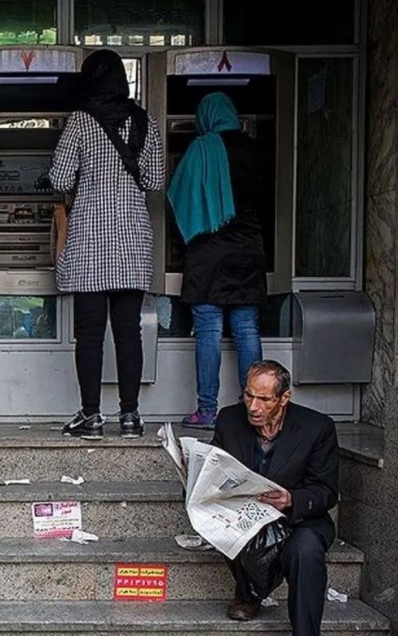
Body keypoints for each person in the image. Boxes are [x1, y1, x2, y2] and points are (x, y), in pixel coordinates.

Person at [50, 49, 165, 440]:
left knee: (90, 334)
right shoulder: (145, 122)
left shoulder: (81, 122)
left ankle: (92, 417)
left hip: (89, 238)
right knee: (129, 333)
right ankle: (130, 417)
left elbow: (60, 178)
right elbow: (155, 180)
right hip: (133, 238)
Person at [212, 361, 339, 636]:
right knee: (221, 523)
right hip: (247, 514)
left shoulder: (316, 427)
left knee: (305, 551)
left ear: (284, 398)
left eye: (264, 399)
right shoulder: (229, 420)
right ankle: (249, 592)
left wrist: (291, 499)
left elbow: (326, 491)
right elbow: (214, 469)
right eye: (248, 396)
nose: (253, 407)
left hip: (298, 518)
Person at [169, 92, 267, 430]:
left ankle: (207, 411)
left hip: (207, 253)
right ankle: (254, 410)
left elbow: (176, 197)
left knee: (208, 331)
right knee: (247, 329)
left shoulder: (200, 149)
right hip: (248, 249)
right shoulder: (255, 149)